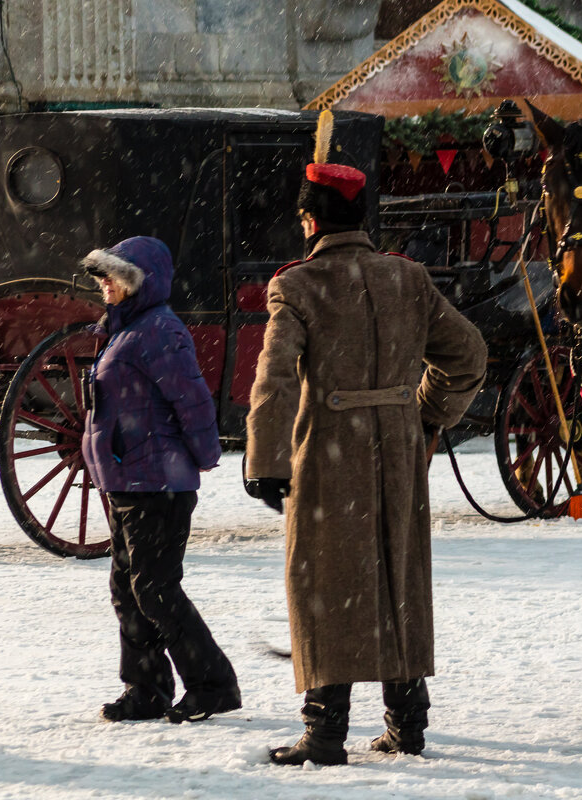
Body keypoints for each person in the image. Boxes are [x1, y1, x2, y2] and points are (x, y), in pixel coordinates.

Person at [244, 116, 487, 767]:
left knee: (325, 584)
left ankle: (325, 733)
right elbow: (468, 356)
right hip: (400, 455)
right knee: (396, 580)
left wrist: (266, 462)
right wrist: (426, 417)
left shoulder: (295, 285)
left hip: (328, 456)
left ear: (310, 222)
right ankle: (407, 725)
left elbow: (273, 376)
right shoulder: (408, 279)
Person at [80, 236, 241, 724]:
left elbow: (190, 400)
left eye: (113, 276)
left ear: (137, 283)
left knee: (154, 588)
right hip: (128, 481)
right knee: (129, 590)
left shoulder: (159, 331)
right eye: (102, 276)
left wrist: (206, 453)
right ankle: (146, 689)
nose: (104, 284)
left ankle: (212, 684)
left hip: (159, 484)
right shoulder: (122, 330)